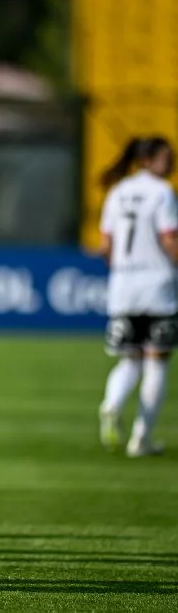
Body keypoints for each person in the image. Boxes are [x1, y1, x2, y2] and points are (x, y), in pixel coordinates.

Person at [98, 136, 178, 457]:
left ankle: (112, 403)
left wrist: (120, 269)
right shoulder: (163, 193)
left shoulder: (117, 192)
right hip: (157, 285)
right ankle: (140, 439)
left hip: (123, 286)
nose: (171, 163)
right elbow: (169, 238)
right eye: (166, 158)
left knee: (130, 358)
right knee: (157, 361)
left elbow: (106, 245)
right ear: (148, 160)